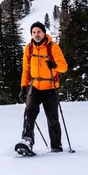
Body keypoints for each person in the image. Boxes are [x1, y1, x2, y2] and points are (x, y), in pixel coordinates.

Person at [15, 21, 68, 155]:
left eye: (38, 32)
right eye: (33, 32)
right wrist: (23, 86)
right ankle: (27, 141)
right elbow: (26, 70)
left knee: (52, 119)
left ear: (44, 33)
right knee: (29, 114)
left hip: (50, 87)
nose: (36, 35)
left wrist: (54, 65)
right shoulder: (29, 48)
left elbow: (64, 67)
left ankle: (56, 147)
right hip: (35, 87)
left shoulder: (53, 47)